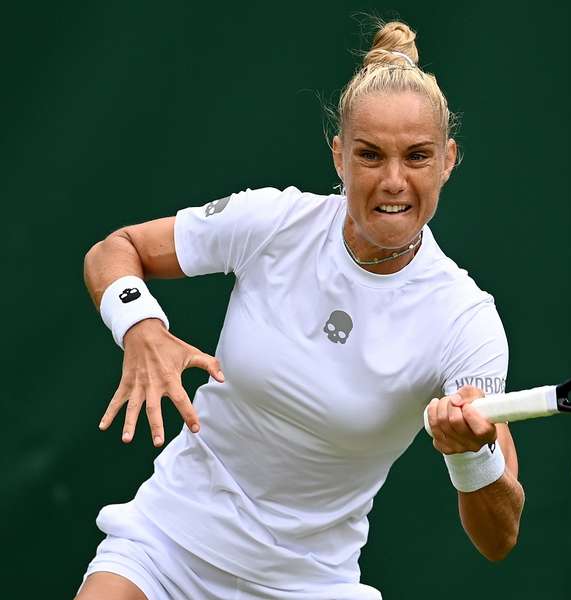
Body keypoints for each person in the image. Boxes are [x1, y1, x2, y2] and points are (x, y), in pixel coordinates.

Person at [76, 19, 525, 600]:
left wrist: (472, 458)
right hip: (168, 546)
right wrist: (139, 325)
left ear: (448, 160)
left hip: (311, 585)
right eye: (369, 155)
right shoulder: (273, 222)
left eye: (417, 157)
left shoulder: (466, 322)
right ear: (338, 155)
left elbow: (499, 537)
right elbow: (117, 250)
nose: (394, 181)